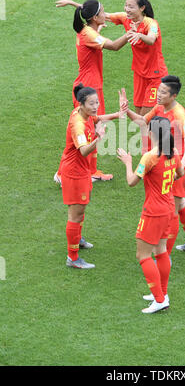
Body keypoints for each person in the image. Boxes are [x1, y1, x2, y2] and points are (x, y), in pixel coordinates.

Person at [119, 75, 185, 256]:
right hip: (166, 165)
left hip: (174, 167)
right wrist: (127, 110)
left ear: (174, 96)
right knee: (180, 205)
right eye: (158, 90)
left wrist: (178, 167)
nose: (158, 94)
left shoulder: (179, 114)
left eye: (163, 92)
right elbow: (142, 121)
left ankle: (165, 256)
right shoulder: (159, 107)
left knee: (172, 213)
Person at [54, 0, 129, 184]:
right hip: (89, 88)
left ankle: (91, 171)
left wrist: (73, 3)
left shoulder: (88, 30)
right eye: (103, 12)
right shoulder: (88, 34)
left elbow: (87, 14)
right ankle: (63, 173)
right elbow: (114, 46)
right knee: (85, 132)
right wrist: (131, 32)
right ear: (95, 17)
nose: (106, 14)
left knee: (93, 128)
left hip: (90, 86)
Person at [117, 116, 184, 313]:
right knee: (161, 251)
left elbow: (131, 181)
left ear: (152, 133)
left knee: (143, 255)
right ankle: (163, 293)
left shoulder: (150, 157)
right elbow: (179, 173)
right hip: (169, 208)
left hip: (153, 212)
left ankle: (159, 299)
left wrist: (127, 162)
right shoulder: (173, 153)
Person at [62, 83, 124, 269]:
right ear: (81, 104)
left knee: (80, 209)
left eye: (96, 102)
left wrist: (117, 115)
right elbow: (83, 151)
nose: (95, 106)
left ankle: (77, 239)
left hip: (81, 171)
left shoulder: (82, 114)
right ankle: (73, 258)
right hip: (74, 173)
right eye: (92, 103)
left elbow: (96, 118)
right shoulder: (78, 124)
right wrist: (98, 138)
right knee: (76, 213)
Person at [105, 0, 168, 116]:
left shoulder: (151, 23)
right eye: (126, 5)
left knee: (145, 118)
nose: (127, 9)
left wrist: (139, 35)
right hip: (139, 75)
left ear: (142, 8)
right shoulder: (126, 18)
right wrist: (75, 4)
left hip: (155, 76)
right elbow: (102, 15)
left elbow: (151, 39)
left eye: (131, 7)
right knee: (140, 118)